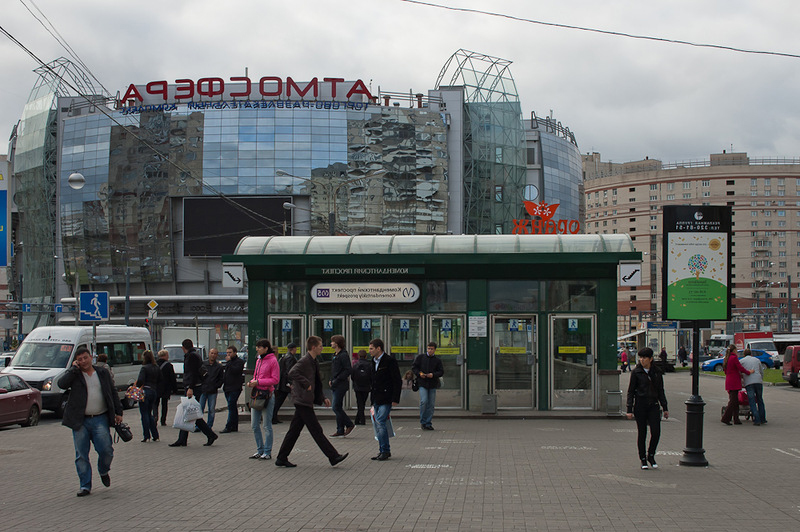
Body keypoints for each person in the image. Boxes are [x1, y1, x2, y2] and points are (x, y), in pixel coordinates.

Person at [56, 346, 123, 497]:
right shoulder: (75, 374)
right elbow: (62, 384)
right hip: (80, 421)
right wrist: (73, 370)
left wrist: (118, 412)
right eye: (79, 359)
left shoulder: (102, 373)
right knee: (81, 454)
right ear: (76, 361)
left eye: (85, 358)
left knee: (106, 450)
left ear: (91, 357)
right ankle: (85, 485)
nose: (83, 361)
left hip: (100, 418)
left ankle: (103, 470)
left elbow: (112, 392)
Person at [275, 335, 349, 468]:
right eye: (320, 346)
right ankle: (333, 456)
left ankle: (281, 457)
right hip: (302, 399)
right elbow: (292, 372)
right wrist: (305, 383)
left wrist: (322, 397)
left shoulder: (314, 361)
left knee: (294, 430)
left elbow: (317, 383)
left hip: (305, 399)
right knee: (316, 430)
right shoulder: (305, 360)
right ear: (313, 347)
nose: (322, 348)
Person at [169, 339, 218, 447]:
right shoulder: (194, 355)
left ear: (183, 347)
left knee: (191, 413)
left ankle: (210, 434)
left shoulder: (191, 357)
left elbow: (193, 373)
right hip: (194, 387)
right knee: (188, 413)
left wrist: (190, 387)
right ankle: (182, 439)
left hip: (193, 388)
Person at [626, 347, 669, 470]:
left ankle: (651, 455)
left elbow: (661, 390)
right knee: (642, 433)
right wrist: (629, 409)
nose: (642, 360)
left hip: (653, 405)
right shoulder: (636, 372)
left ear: (650, 359)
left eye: (644, 358)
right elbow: (631, 391)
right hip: (640, 405)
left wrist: (665, 407)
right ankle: (643, 458)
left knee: (656, 432)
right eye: (640, 357)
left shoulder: (656, 372)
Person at [369, 338, 402, 461]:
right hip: (376, 397)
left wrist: (395, 398)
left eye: (372, 348)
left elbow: (396, 380)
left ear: (379, 348)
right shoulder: (373, 361)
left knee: (380, 422)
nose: (370, 351)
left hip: (386, 397)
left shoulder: (389, 361)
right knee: (378, 423)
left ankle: (385, 451)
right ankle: (383, 450)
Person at [248, 339, 279, 459]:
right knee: (254, 425)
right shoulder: (259, 360)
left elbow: (275, 379)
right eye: (257, 347)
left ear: (266, 348)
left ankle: (267, 451)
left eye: (259, 347)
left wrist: (259, 382)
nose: (257, 349)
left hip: (267, 395)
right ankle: (259, 449)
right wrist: (252, 382)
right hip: (257, 394)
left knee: (267, 425)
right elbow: (256, 375)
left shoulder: (272, 360)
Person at [412, 341, 444, 431]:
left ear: (435, 350)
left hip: (432, 383)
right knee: (424, 401)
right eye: (428, 348)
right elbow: (414, 367)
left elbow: (441, 371)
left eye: (431, 349)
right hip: (422, 382)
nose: (430, 350)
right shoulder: (420, 358)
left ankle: (428, 422)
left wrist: (433, 375)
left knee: (431, 404)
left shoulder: (437, 360)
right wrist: (419, 373)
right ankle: (423, 421)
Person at [329, 334, 355, 437]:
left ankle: (349, 424)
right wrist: (331, 379)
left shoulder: (343, 355)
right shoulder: (335, 354)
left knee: (335, 407)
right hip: (335, 383)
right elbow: (334, 370)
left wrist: (337, 379)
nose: (331, 343)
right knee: (338, 406)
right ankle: (340, 429)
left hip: (341, 384)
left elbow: (348, 369)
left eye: (332, 341)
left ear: (337, 343)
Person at [720, 345, 752, 425]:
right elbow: (740, 368)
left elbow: (726, 370)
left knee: (735, 401)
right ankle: (726, 418)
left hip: (729, 381)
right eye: (736, 350)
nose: (737, 351)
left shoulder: (726, 359)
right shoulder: (734, 358)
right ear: (733, 350)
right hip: (734, 381)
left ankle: (736, 419)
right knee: (733, 401)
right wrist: (748, 372)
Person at [135, 350, 161, 442]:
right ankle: (155, 434)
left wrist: (137, 386)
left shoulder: (144, 368)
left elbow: (140, 380)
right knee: (149, 413)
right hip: (153, 391)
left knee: (144, 414)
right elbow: (160, 380)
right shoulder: (156, 367)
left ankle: (146, 435)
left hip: (145, 391)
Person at [220, 345, 245, 433]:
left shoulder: (239, 362)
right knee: (232, 407)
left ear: (235, 352)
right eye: (227, 353)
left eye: (230, 353)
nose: (228, 355)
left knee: (231, 405)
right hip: (227, 387)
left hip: (235, 387)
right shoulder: (228, 363)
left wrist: (229, 362)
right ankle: (234, 425)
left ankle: (229, 426)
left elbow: (236, 371)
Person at [739, 348, 767, 426]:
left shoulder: (742, 361)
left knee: (752, 401)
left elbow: (740, 372)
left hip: (749, 382)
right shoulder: (757, 360)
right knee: (760, 399)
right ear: (751, 354)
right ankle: (763, 418)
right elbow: (761, 371)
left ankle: (756, 419)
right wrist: (761, 379)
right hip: (758, 381)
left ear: (744, 354)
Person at [273, 342, 298, 424]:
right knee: (280, 400)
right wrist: (290, 382)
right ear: (293, 349)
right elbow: (289, 371)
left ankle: (273, 417)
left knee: (279, 400)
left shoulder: (285, 357)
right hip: (285, 383)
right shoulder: (290, 358)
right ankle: (273, 417)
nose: (296, 350)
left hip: (283, 382)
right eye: (295, 348)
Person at [198, 348, 224, 429]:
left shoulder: (219, 367)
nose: (213, 355)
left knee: (211, 409)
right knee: (199, 409)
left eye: (215, 353)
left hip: (212, 390)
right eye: (212, 353)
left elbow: (221, 378)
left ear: (217, 355)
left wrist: (216, 385)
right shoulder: (203, 364)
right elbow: (198, 375)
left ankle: (209, 426)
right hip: (203, 390)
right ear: (209, 354)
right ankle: (198, 425)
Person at [155, 349, 177, 426]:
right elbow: (172, 378)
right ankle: (163, 420)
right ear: (165, 356)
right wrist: (174, 388)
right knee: (164, 405)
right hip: (165, 387)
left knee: (155, 404)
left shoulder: (155, 365)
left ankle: (155, 417)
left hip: (156, 387)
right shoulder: (169, 366)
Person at [351, 349, 372, 425]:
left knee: (360, 403)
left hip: (358, 387)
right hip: (366, 387)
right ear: (366, 356)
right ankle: (360, 420)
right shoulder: (369, 365)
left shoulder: (355, 365)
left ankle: (359, 420)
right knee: (362, 403)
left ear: (359, 356)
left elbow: (352, 376)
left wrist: (355, 383)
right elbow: (371, 376)